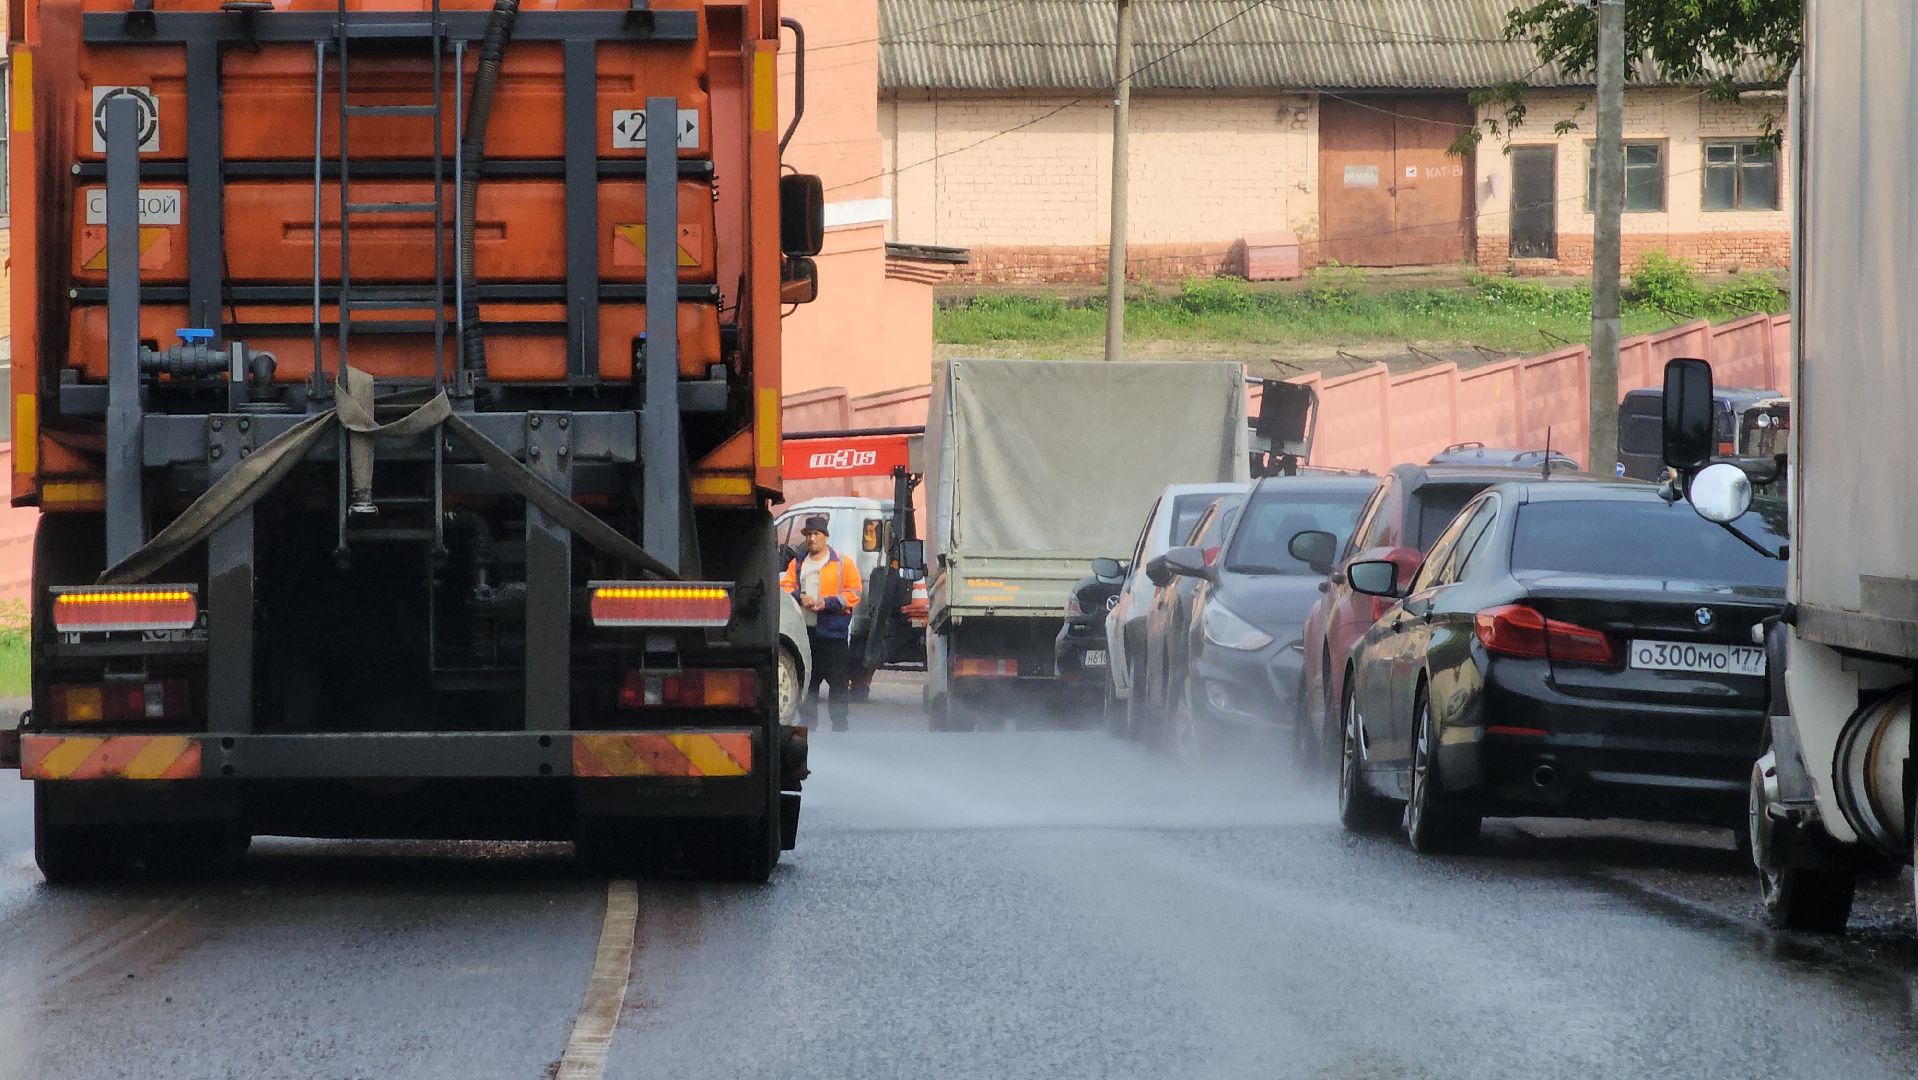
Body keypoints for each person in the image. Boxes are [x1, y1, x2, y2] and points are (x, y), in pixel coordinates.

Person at [780, 515, 863, 731]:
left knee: (838, 685)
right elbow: (786, 587)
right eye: (808, 534)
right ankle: (808, 725)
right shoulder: (797, 563)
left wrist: (826, 603)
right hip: (806, 634)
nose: (811, 538)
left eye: (815, 534)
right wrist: (801, 597)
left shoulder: (843, 563)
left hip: (834, 634)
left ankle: (840, 726)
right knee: (809, 683)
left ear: (825, 536)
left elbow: (854, 593)